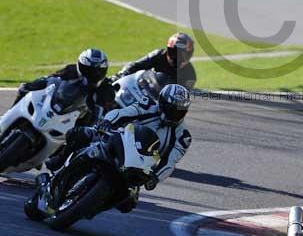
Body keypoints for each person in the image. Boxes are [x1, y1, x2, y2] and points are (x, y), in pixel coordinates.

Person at [45, 83, 192, 212]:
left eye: (179, 111)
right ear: (162, 103)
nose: (175, 114)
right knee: (79, 134)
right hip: (119, 142)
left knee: (127, 204)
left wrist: (155, 178)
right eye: (172, 109)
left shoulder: (183, 136)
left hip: (139, 166)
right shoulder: (147, 106)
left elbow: (170, 162)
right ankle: (60, 163)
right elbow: (123, 113)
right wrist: (107, 122)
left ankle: (88, 207)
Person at [12, 48, 113, 124]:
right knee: (24, 88)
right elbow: (52, 78)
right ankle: (9, 114)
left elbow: (108, 110)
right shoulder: (71, 70)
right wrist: (34, 85)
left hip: (76, 121)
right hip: (57, 105)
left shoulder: (106, 87)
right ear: (80, 66)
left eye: (96, 72)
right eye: (88, 70)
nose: (92, 74)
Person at [113, 33, 196, 90]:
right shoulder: (158, 55)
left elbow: (181, 97)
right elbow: (135, 66)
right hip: (144, 90)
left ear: (189, 55)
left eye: (182, 55)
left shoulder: (190, 75)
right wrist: (120, 75)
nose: (177, 58)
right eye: (174, 53)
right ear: (168, 50)